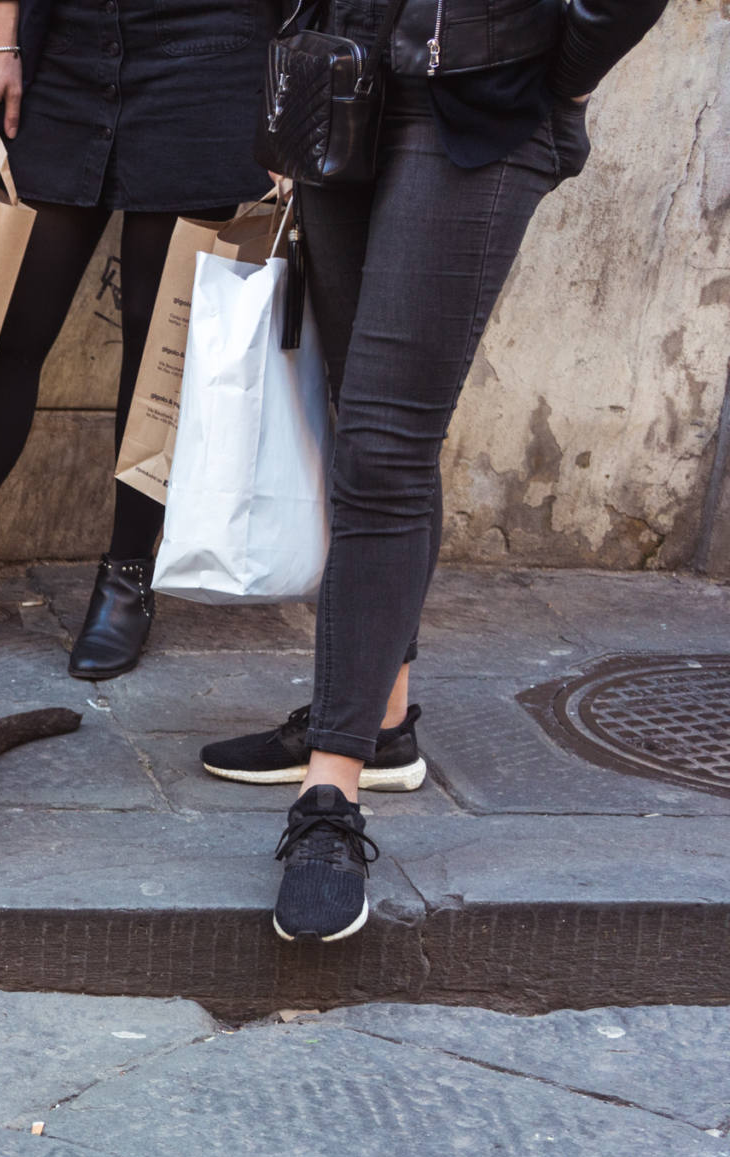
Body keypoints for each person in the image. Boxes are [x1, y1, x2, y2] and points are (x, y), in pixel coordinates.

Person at [199, 0, 668, 944]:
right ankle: (383, 721)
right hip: (342, 76)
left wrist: (560, 76)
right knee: (357, 417)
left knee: (383, 442)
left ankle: (330, 796)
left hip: (479, 103)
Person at [0, 0, 270, 679]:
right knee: (9, 322)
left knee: (158, 332)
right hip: (71, 44)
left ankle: (128, 577)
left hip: (211, 50)